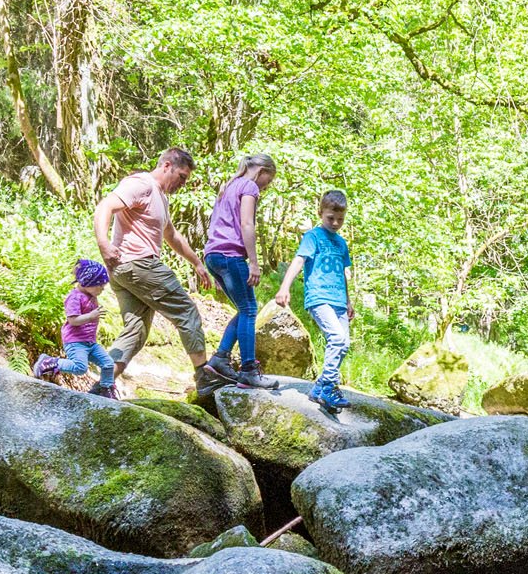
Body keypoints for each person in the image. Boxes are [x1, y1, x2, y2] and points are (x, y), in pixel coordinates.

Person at [93, 148, 215, 391]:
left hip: (125, 270)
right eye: (181, 176)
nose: (182, 183)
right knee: (186, 311)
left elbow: (172, 236)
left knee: (135, 331)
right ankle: (204, 376)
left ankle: (102, 385)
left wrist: (197, 263)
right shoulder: (142, 184)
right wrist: (103, 244)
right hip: (139, 264)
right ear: (167, 165)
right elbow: (105, 206)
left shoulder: (160, 196)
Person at [270, 188, 353, 413]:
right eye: (330, 218)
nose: (335, 223)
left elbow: (343, 273)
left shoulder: (341, 243)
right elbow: (298, 261)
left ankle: (318, 389)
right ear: (320, 213)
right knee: (336, 337)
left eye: (340, 219)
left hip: (338, 300)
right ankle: (328, 386)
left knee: (344, 343)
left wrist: (348, 301)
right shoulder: (313, 237)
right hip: (319, 297)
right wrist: (284, 286)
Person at [201, 153, 275, 387]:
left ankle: (221, 358)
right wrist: (253, 261)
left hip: (213, 255)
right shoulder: (249, 187)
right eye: (269, 181)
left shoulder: (228, 186)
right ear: (262, 171)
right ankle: (248, 370)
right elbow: (246, 224)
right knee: (250, 310)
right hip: (231, 255)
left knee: (244, 309)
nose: (266, 187)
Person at [33, 258, 117, 397]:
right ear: (87, 282)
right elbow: (72, 320)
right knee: (80, 368)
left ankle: (106, 389)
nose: (102, 289)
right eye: (100, 285)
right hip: (75, 342)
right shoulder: (74, 297)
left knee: (108, 364)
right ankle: (50, 362)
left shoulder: (90, 295)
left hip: (90, 342)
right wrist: (91, 316)